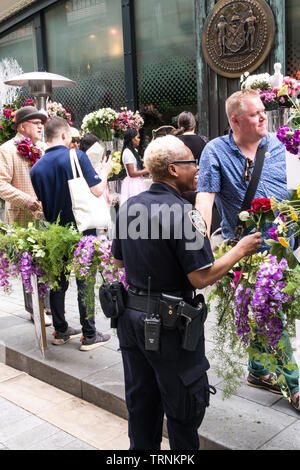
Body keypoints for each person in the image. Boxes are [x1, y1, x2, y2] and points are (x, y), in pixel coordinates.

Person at [112, 134, 262, 450]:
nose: (197, 168)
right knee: (183, 407)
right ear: (172, 169)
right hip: (170, 325)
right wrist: (240, 250)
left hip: (131, 317)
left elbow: (118, 261)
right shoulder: (185, 213)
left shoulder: (129, 205)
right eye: (191, 163)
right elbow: (200, 277)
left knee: (141, 403)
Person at [195, 89, 299, 411]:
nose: (264, 116)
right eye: (256, 114)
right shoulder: (215, 151)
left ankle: (257, 370)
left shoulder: (281, 146)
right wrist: (199, 247)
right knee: (272, 313)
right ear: (236, 121)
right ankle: (294, 385)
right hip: (246, 250)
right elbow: (204, 200)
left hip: (285, 247)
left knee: (260, 309)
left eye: (263, 111)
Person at [30, 117, 112, 351]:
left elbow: (43, 203)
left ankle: (61, 330)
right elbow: (97, 190)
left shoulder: (36, 168)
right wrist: (105, 171)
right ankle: (89, 334)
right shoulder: (76, 156)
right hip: (82, 230)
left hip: (55, 233)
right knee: (85, 280)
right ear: (64, 135)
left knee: (58, 282)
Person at [0, 105, 51, 326]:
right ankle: (35, 310)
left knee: (48, 262)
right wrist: (26, 199)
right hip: (21, 217)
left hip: (46, 216)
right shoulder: (7, 149)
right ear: (22, 126)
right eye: (36, 123)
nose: (41, 126)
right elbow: (0, 184)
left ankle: (49, 307)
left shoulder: (45, 148)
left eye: (42, 123)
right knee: (28, 264)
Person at [120, 128, 149, 205]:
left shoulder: (131, 151)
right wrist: (148, 170)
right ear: (132, 139)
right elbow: (131, 173)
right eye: (138, 137)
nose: (139, 140)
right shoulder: (127, 153)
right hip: (133, 183)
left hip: (137, 181)